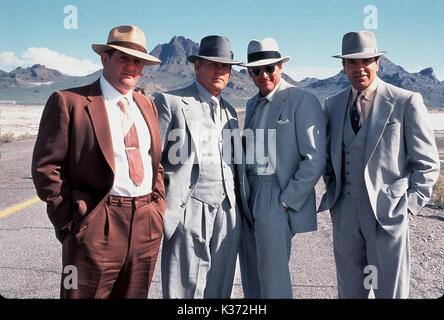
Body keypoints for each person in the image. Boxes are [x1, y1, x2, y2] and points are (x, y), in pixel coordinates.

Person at [32, 25, 166, 298]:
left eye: (137, 61)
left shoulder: (147, 105)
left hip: (146, 225)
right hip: (96, 224)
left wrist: (158, 209)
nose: (131, 66)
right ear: (105, 59)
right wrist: (72, 223)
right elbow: (46, 168)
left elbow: (155, 163)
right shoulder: (69, 102)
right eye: (123, 58)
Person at [318, 30, 440, 298]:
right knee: (350, 291)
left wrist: (408, 207)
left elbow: (428, 164)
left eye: (366, 61)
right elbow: (328, 158)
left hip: (388, 214)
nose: (359, 68)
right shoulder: (333, 104)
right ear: (343, 66)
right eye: (352, 62)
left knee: (390, 291)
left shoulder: (406, 101)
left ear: (377, 63)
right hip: (345, 213)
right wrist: (335, 197)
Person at [154, 35, 252, 298]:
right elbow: (153, 162)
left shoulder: (231, 112)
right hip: (188, 208)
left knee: (220, 289)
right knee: (184, 289)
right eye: (213, 65)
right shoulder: (170, 102)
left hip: (228, 211)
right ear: (197, 67)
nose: (221, 71)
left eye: (226, 67)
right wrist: (163, 208)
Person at [239, 38, 326, 298]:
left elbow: (314, 158)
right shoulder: (253, 104)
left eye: (270, 68)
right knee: (251, 272)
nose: (263, 75)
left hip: (275, 195)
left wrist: (287, 200)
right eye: (256, 70)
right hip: (249, 193)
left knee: (273, 276)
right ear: (249, 73)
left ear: (280, 66)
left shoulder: (302, 99)